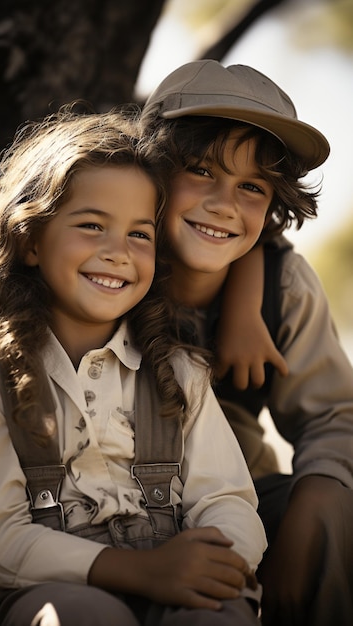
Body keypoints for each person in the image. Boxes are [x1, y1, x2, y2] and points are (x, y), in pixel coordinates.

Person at [0, 104, 267, 626]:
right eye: (92, 225)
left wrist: (218, 562)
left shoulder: (178, 372)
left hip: (180, 576)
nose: (118, 252)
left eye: (140, 234)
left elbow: (225, 496)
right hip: (47, 589)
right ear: (29, 241)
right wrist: (142, 572)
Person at [141, 59, 353, 626]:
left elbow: (334, 415)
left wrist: (319, 495)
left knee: (337, 504)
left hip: (238, 490)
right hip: (113, 497)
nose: (224, 203)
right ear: (149, 170)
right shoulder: (107, 267)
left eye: (252, 186)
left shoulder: (282, 284)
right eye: (201, 170)